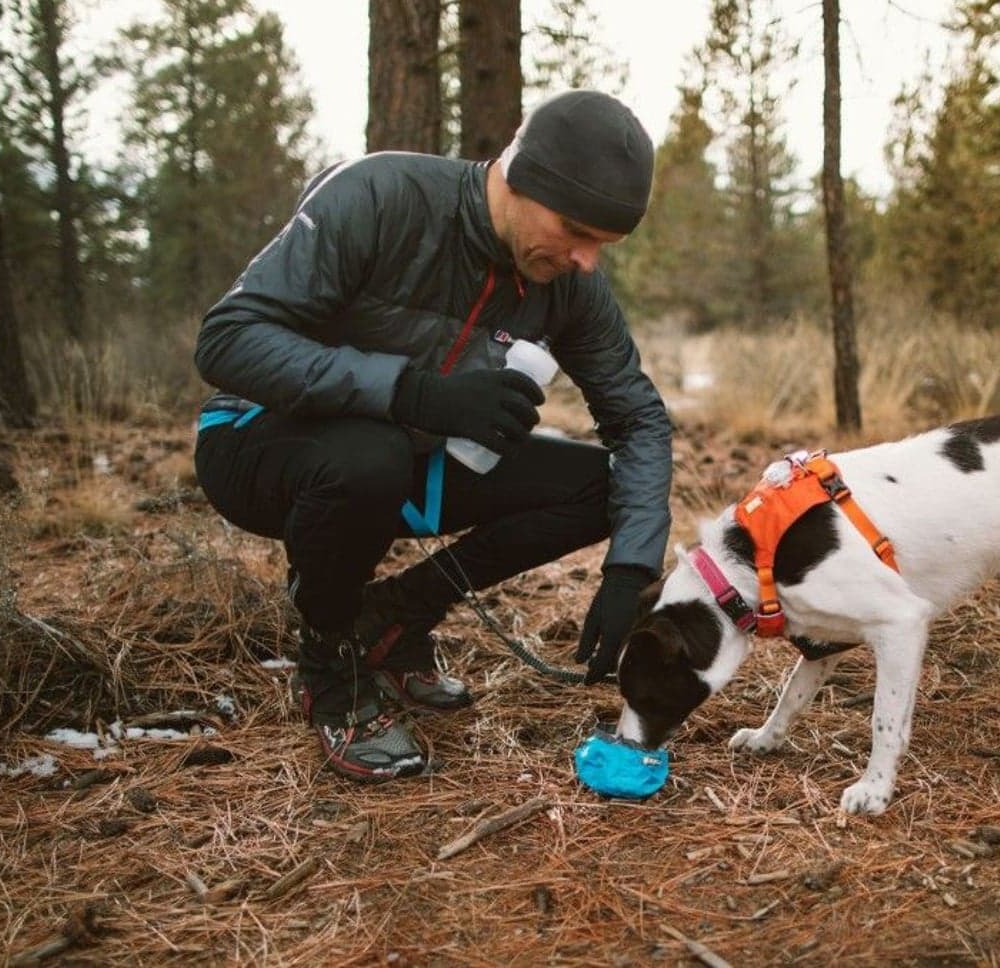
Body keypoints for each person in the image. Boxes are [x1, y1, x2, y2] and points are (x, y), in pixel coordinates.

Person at [192, 90, 672, 782]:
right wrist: (412, 391)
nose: (587, 261)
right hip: (256, 442)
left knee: (599, 486)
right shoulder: (381, 195)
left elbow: (639, 419)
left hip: (408, 462)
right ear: (518, 175)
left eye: (604, 244)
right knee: (369, 456)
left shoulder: (567, 285)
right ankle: (330, 664)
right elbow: (229, 340)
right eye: (574, 230)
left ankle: (390, 618)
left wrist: (631, 569)